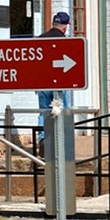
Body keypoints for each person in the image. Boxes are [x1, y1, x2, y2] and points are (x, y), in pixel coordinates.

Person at [36, 12, 72, 147]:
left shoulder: (40, 39)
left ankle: (43, 139)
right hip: (61, 83)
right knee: (63, 111)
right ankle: (63, 140)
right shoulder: (67, 41)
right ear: (65, 27)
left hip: (43, 82)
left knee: (44, 111)